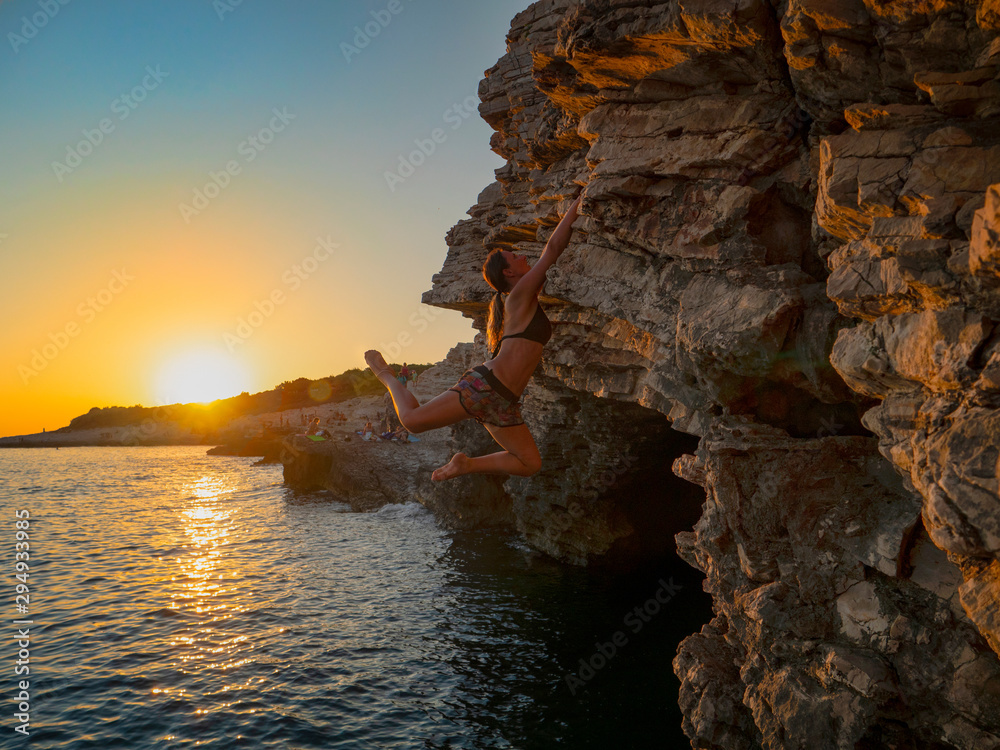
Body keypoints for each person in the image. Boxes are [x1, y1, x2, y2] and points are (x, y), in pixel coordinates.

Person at [365, 192, 582, 481]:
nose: (523, 255)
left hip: (504, 402)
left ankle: (466, 465)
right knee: (412, 422)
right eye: (515, 256)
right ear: (508, 272)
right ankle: (386, 375)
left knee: (530, 464)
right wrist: (578, 204)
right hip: (485, 387)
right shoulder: (517, 297)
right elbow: (552, 249)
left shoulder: (523, 300)